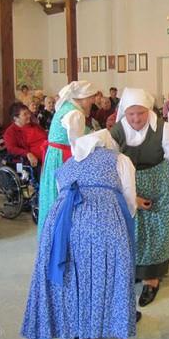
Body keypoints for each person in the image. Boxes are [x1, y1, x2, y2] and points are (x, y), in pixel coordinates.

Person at [22, 130, 139, 339]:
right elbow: (130, 198)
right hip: (102, 221)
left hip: (61, 225)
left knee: (71, 277)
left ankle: (78, 332)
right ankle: (109, 320)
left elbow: (61, 194)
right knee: (104, 274)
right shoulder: (119, 159)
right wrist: (124, 223)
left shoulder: (67, 164)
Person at [110, 88, 169, 306]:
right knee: (132, 229)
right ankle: (136, 270)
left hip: (160, 183)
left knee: (157, 230)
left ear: (148, 111)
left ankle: (152, 278)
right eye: (131, 114)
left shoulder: (163, 129)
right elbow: (109, 165)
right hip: (129, 184)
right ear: (124, 113)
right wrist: (131, 197)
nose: (136, 118)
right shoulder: (117, 132)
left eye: (140, 113)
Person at [38, 81, 98, 235]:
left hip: (54, 155)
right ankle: (60, 235)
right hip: (62, 158)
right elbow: (78, 145)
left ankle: (50, 235)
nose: (92, 102)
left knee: (52, 195)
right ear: (82, 98)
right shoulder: (75, 114)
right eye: (91, 98)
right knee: (62, 198)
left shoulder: (66, 107)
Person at [3, 102, 47, 175]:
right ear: (16, 118)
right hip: (31, 160)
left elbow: (46, 136)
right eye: (25, 114)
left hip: (46, 154)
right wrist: (27, 153)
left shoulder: (35, 125)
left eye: (28, 113)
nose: (29, 116)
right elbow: (11, 148)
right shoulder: (10, 132)